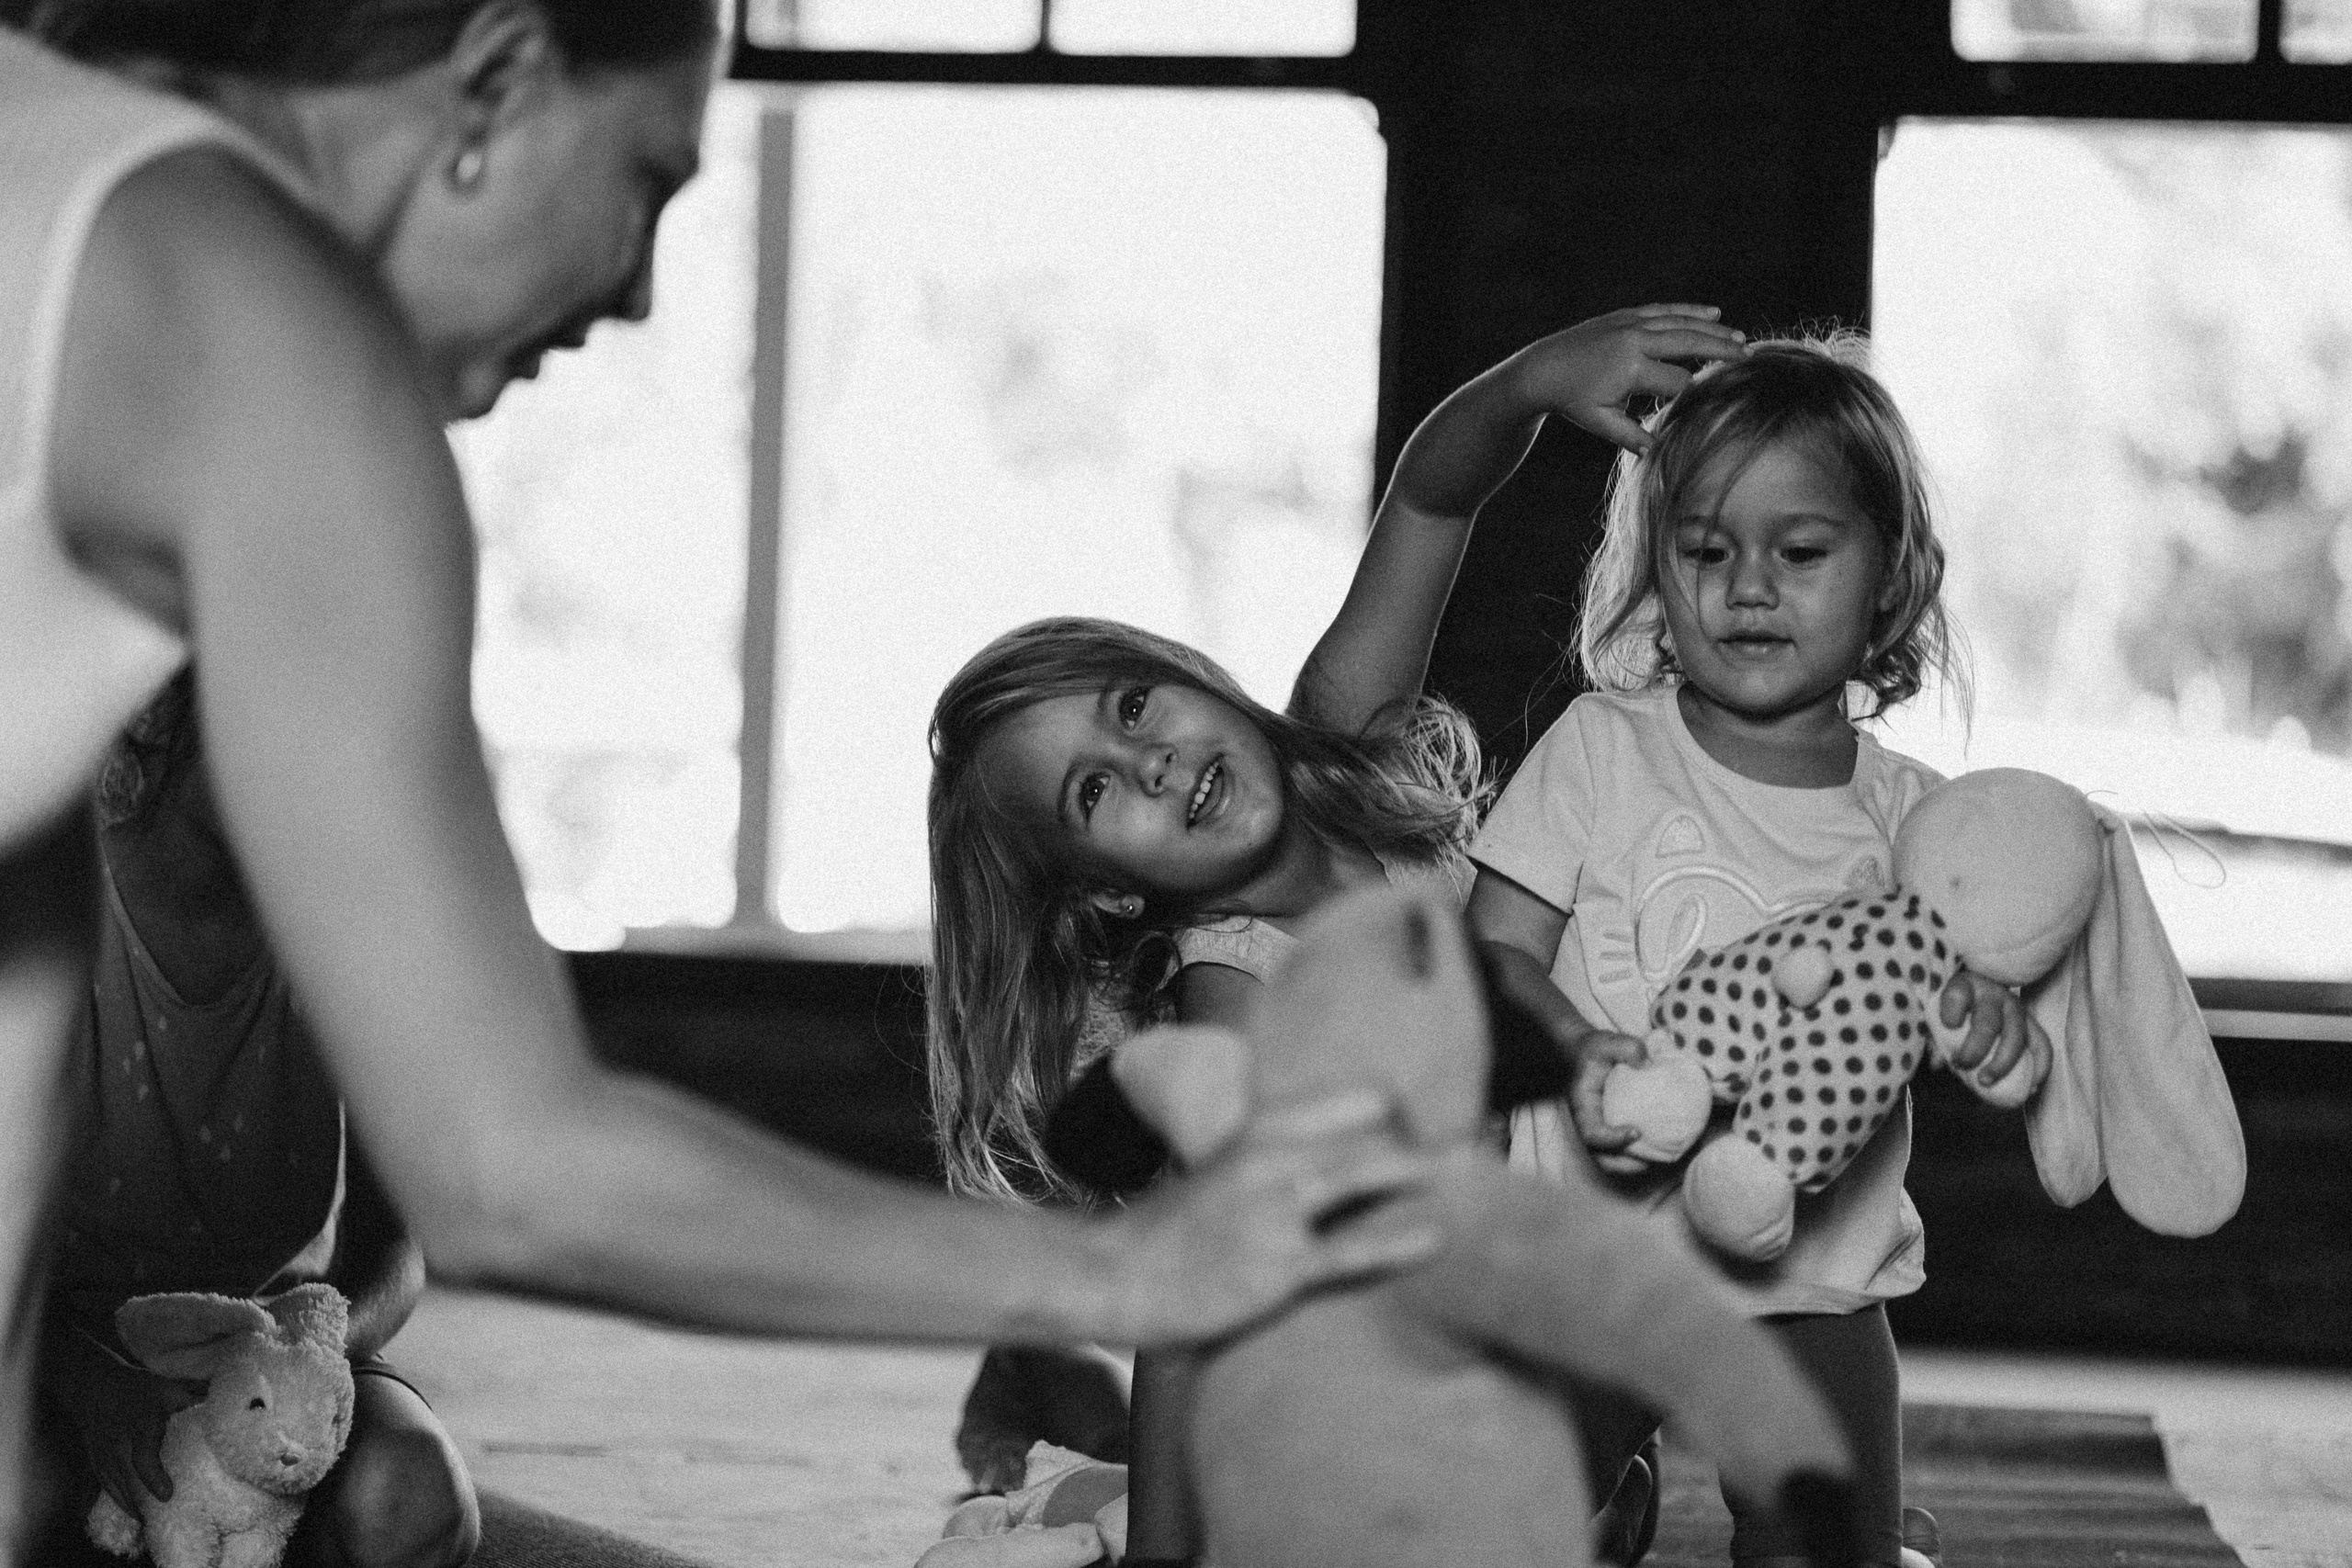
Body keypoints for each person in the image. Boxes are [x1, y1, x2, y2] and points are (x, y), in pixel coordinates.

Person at [0, 1, 1442, 1555]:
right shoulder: (280, 350)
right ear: (500, 75)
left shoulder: (51, 144)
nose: (633, 292)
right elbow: (514, 1168)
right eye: (651, 180)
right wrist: (1133, 1272)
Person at [925, 305, 1751, 1563]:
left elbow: (1429, 499)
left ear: (1186, 670)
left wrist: (1532, 377)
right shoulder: (1238, 988)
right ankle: (1073, 1444)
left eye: (1134, 703)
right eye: (1095, 792)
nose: (1148, 762)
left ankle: (1054, 1399)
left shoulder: (1348, 739)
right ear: (1101, 891)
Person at [1466, 334, 2041, 1568]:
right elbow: (1493, 954)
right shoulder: (1601, 747)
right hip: (1588, 1257)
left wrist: (1991, 1033)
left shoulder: (1917, 822)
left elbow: (1953, 1018)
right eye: (1707, 549)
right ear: (1657, 565)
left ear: (1890, 579)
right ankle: (1601, 1492)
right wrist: (1575, 1051)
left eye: (1801, 552)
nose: (1747, 587)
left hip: (1812, 1275)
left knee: (1830, 1543)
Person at [30, 674, 477, 1568]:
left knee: (413, 1500)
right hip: (50, 1353)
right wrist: (88, 1389)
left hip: (280, 1353)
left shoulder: (354, 924)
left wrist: (301, 1362)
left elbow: (400, 1239)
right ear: (163, 715)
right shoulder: (44, 898)